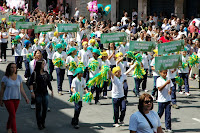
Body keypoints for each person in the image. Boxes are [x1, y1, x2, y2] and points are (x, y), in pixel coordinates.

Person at [0, 63, 29, 133]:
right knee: (13, 115)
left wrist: (26, 97)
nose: (14, 69)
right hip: (8, 99)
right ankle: (14, 130)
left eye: (15, 67)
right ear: (9, 69)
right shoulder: (5, 78)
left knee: (12, 114)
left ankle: (8, 126)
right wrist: (0, 100)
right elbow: (2, 90)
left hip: (17, 99)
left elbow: (21, 89)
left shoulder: (19, 77)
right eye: (12, 67)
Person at [29, 60, 53, 130]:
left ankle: (43, 121)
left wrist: (51, 90)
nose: (44, 65)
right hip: (37, 93)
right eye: (43, 64)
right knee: (38, 109)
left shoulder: (45, 73)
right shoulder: (35, 73)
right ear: (39, 65)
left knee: (45, 109)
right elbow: (30, 83)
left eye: (44, 64)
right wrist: (32, 92)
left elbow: (48, 82)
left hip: (45, 93)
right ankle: (39, 123)